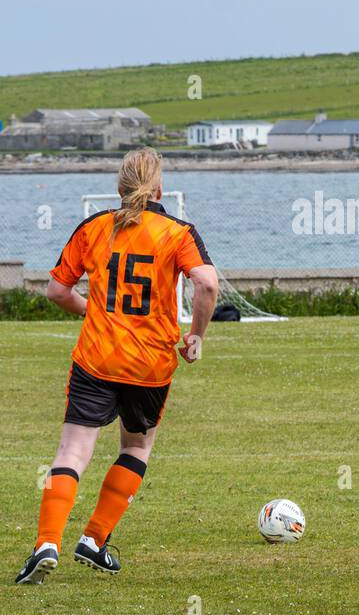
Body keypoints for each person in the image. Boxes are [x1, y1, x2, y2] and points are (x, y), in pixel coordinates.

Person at [16, 148, 219, 584]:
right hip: (150, 364)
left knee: (72, 452)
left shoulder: (94, 227)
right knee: (135, 448)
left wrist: (92, 309)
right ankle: (93, 539)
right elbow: (206, 282)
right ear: (160, 189)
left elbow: (55, 291)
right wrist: (197, 335)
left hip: (97, 357)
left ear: (118, 188)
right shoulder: (178, 231)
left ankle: (46, 543)